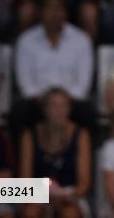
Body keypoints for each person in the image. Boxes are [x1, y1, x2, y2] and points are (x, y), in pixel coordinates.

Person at [13, 0, 95, 131]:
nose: (54, 13)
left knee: (88, 113)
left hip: (71, 101)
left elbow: (83, 85)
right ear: (40, 13)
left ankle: (86, 152)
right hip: (38, 102)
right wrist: (47, 102)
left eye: (58, 8)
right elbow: (25, 84)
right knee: (19, 112)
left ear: (66, 13)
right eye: (49, 8)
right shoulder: (25, 41)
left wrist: (62, 103)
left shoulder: (82, 40)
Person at [19, 87, 92, 218]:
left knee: (70, 214)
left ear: (69, 109)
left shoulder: (81, 135)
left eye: (63, 106)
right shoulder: (29, 135)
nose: (59, 111)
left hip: (70, 195)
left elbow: (84, 184)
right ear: (44, 110)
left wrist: (64, 196)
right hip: (38, 194)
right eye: (53, 106)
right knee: (30, 213)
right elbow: (25, 181)